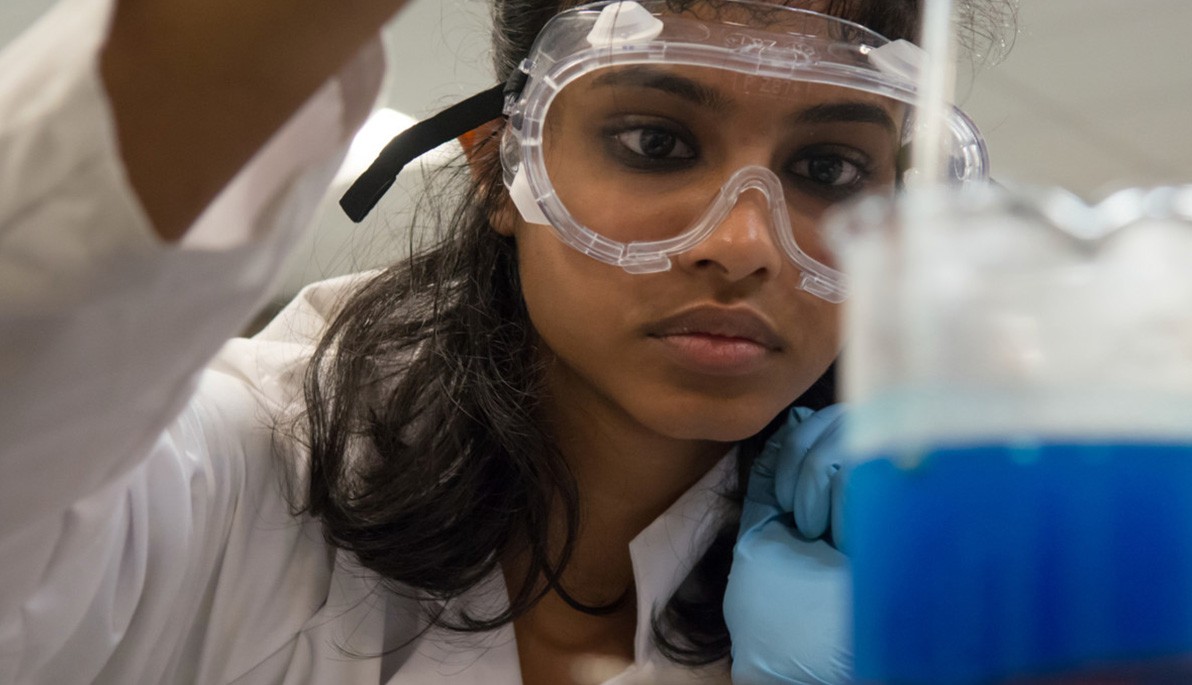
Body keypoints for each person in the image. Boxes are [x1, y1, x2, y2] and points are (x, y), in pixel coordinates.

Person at [0, 0, 1001, 683]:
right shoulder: (236, 477)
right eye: (655, 142)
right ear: (501, 171)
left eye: (827, 166)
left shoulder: (934, 562)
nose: (743, 245)